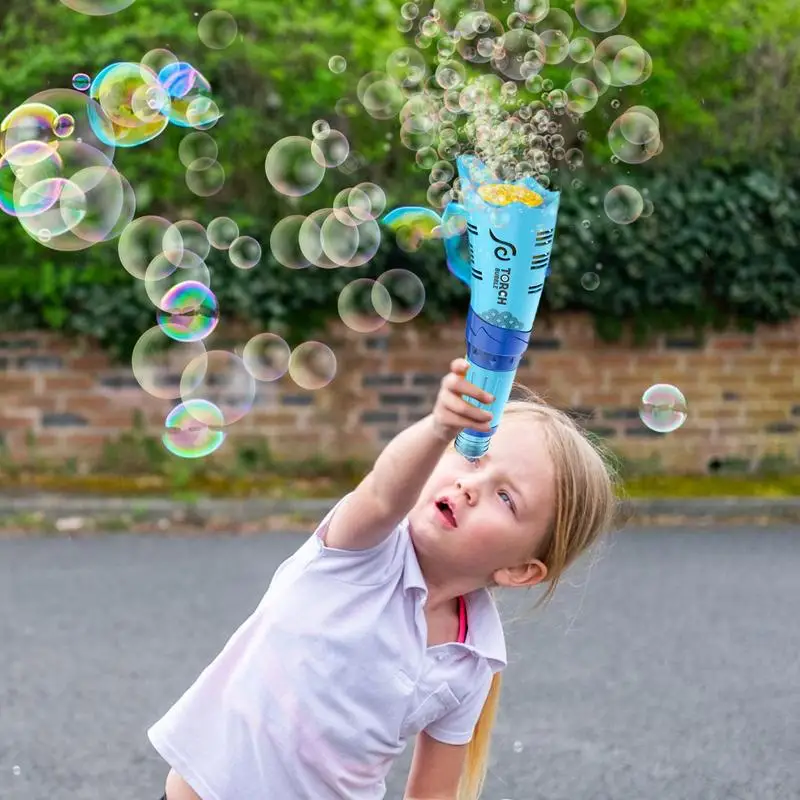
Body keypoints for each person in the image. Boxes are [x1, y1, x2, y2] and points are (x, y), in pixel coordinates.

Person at [148, 357, 621, 800]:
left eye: (506, 498)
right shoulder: (365, 551)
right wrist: (439, 428)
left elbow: (432, 793)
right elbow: (381, 493)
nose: (470, 486)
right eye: (473, 456)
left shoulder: (472, 658)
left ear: (520, 570)